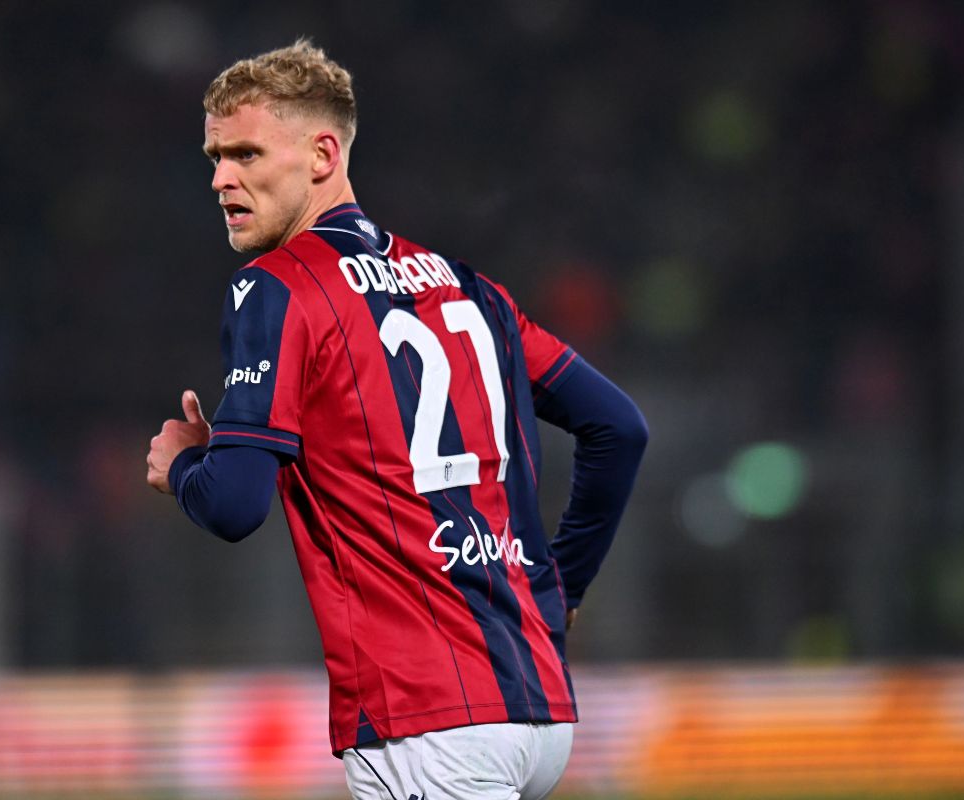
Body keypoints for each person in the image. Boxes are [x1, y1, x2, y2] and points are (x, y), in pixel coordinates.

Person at [146, 39, 648, 800]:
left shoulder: (277, 289)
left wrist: (184, 465)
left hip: (427, 720)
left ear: (321, 155)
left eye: (245, 153)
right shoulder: (469, 289)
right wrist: (561, 591)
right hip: (537, 706)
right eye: (214, 156)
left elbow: (235, 502)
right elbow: (620, 429)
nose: (220, 178)